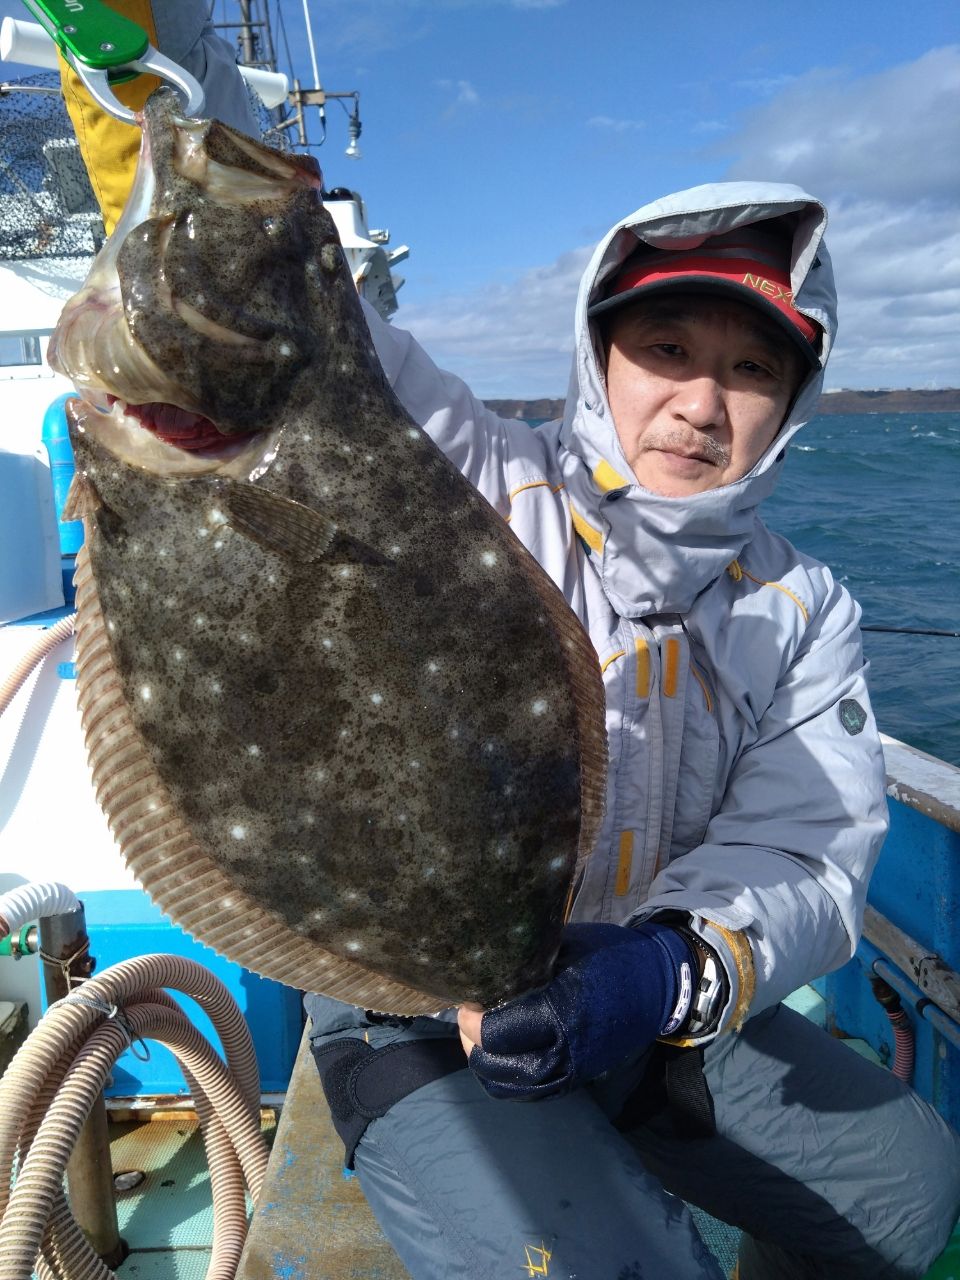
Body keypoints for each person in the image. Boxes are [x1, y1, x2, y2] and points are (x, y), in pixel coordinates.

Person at [56, 15, 960, 1277]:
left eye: (751, 368)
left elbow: (811, 850)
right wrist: (151, 59)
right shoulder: (472, 467)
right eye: (666, 350)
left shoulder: (805, 608)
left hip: (638, 985)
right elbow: (299, 319)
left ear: (793, 401)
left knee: (908, 1183)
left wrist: (665, 970)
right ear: (601, 355)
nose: (701, 402)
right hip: (402, 999)